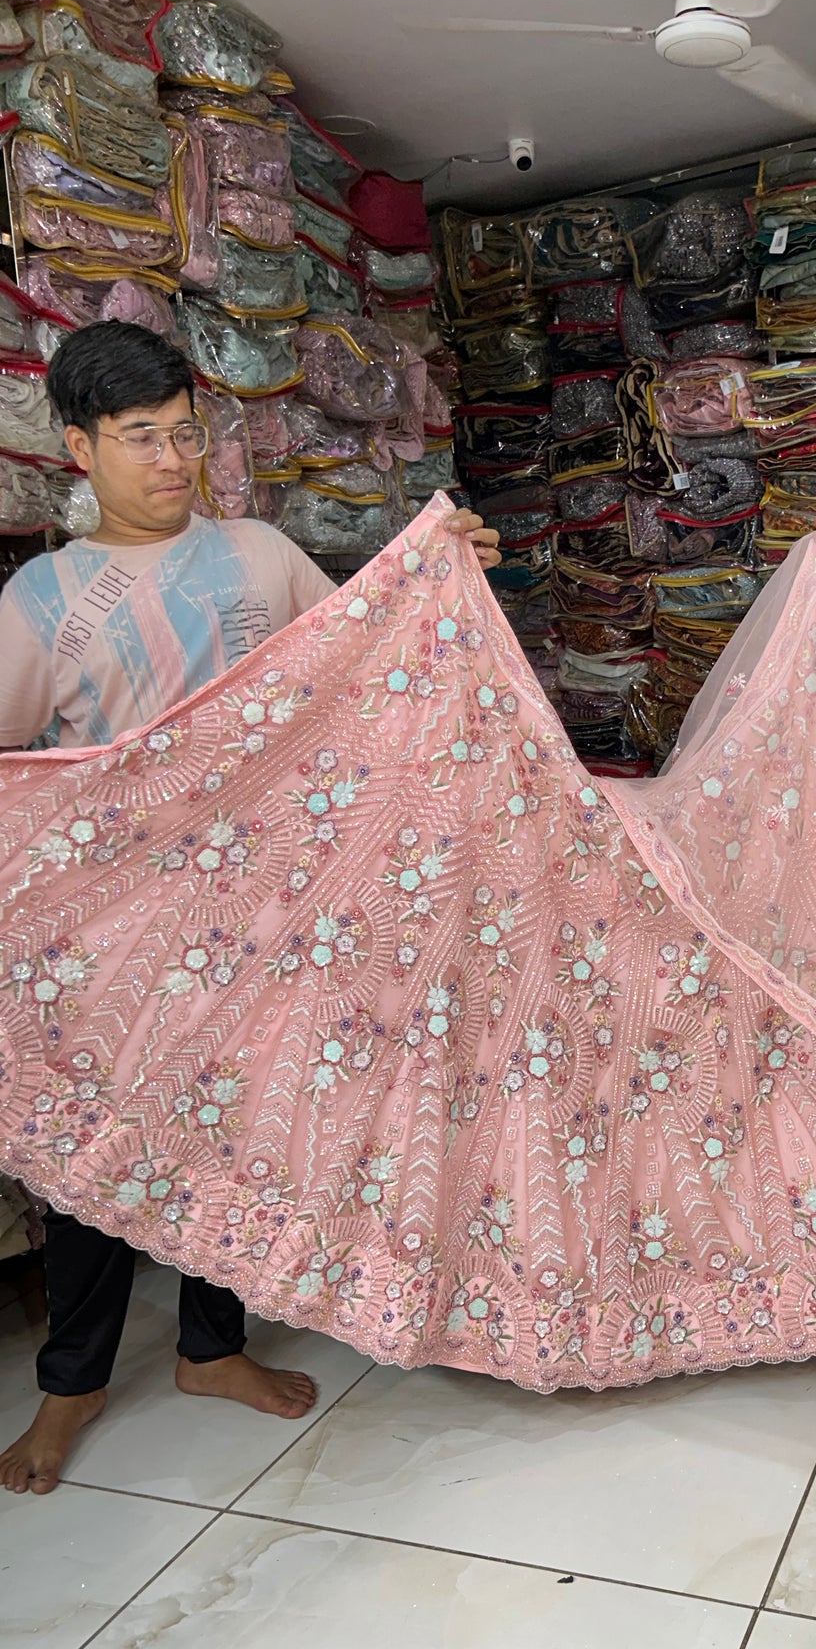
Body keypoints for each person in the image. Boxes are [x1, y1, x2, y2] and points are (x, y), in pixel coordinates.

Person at [0, 321, 501, 1495]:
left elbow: (364, 672)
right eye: (140, 439)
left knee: (238, 1134)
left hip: (258, 923)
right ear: (77, 446)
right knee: (90, 1169)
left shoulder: (263, 556)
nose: (173, 460)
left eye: (187, 433)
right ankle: (71, 1388)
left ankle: (210, 1350)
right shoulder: (42, 597)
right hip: (105, 940)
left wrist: (444, 574)